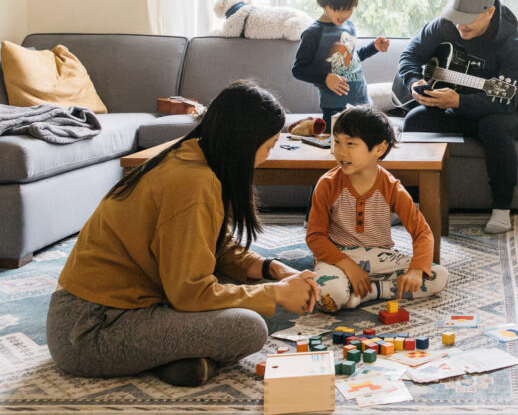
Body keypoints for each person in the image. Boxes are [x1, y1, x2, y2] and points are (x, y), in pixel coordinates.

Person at [46, 81, 320, 388]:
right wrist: (277, 293)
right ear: (243, 143)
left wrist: (271, 270)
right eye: (268, 146)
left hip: (121, 305)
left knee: (248, 289)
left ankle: (183, 359)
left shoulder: (192, 154)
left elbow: (212, 244)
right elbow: (191, 294)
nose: (269, 156)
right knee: (250, 327)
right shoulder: (194, 184)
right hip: (90, 329)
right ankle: (178, 355)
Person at [398, 0, 518, 235]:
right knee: (415, 121)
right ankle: (411, 203)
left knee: (494, 126)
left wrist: (459, 101)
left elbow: (508, 101)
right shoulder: (445, 25)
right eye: (455, 17)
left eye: (467, 19)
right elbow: (409, 56)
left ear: (490, 12)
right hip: (452, 110)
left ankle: (502, 209)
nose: (459, 24)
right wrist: (414, 81)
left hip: (495, 112)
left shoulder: (515, 44)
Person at [307, 105, 449, 311]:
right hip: (336, 258)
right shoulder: (327, 184)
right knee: (331, 297)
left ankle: (369, 292)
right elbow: (315, 237)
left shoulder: (391, 188)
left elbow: (422, 233)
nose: (341, 151)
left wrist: (416, 270)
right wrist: (348, 266)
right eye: (337, 142)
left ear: (379, 149)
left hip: (378, 258)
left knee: (438, 276)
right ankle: (351, 285)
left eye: (350, 144)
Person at [292, 0, 390, 126]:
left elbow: (351, 60)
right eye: (337, 8)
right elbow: (298, 70)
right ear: (323, 3)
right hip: (335, 105)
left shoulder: (349, 26)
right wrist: (325, 78)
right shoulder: (314, 33)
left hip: (363, 100)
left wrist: (373, 48)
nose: (343, 14)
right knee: (337, 145)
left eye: (349, 9)